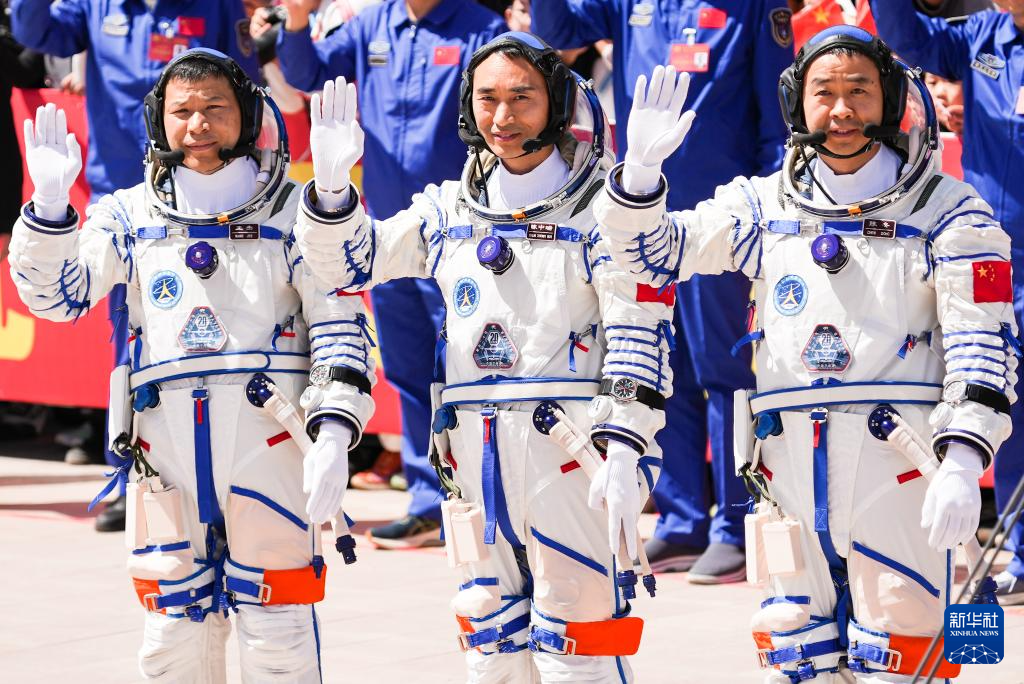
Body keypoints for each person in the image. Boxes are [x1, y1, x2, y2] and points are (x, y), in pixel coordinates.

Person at [594, 26, 1017, 681]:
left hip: (901, 476)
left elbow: (981, 343)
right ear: (797, 101)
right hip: (788, 477)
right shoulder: (763, 207)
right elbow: (652, 255)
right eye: (824, 92)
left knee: (903, 659)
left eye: (859, 91)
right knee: (793, 656)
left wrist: (964, 458)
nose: (841, 109)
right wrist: (641, 175)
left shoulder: (950, 213)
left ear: (891, 100)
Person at [295, 32, 674, 683]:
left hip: (571, 459)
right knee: (489, 645)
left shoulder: (603, 212)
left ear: (558, 105)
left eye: (522, 98)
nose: (502, 117)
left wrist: (623, 449)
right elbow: (351, 263)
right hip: (474, 461)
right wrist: (332, 191)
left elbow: (638, 330)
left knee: (578, 650)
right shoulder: (448, 210)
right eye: (488, 98)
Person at [7, 48, 374, 681]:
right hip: (167, 456)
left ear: (248, 116)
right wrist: (48, 209)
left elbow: (340, 326)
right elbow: (57, 297)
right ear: (159, 121)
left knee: (278, 632)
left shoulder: (295, 213)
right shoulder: (130, 215)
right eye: (182, 111)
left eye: (214, 108)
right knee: (171, 636)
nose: (198, 124)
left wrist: (335, 431)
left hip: (271, 450)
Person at [531, 0, 794, 582]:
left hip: (719, 226)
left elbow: (776, 123)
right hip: (641, 218)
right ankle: (682, 517)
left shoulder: (751, 7)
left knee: (724, 371)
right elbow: (558, 31)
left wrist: (766, 221)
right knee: (657, 362)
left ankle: (735, 522)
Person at [11, 0, 260, 532]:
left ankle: (227, 479)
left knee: (221, 336)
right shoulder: (94, 4)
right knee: (130, 345)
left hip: (205, 201)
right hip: (126, 201)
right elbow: (38, 33)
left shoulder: (215, 4)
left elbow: (245, 90)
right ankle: (133, 478)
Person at [275, 0, 506, 548]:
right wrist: (297, 19)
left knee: (473, 369)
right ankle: (429, 502)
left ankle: (489, 501)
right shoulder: (373, 24)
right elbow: (306, 73)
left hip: (459, 235)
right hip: (386, 237)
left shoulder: (482, 28)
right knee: (407, 369)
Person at [870, 0, 1024, 606]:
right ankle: (1019, 554)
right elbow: (908, 37)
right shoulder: (982, 35)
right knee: (1004, 403)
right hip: (993, 262)